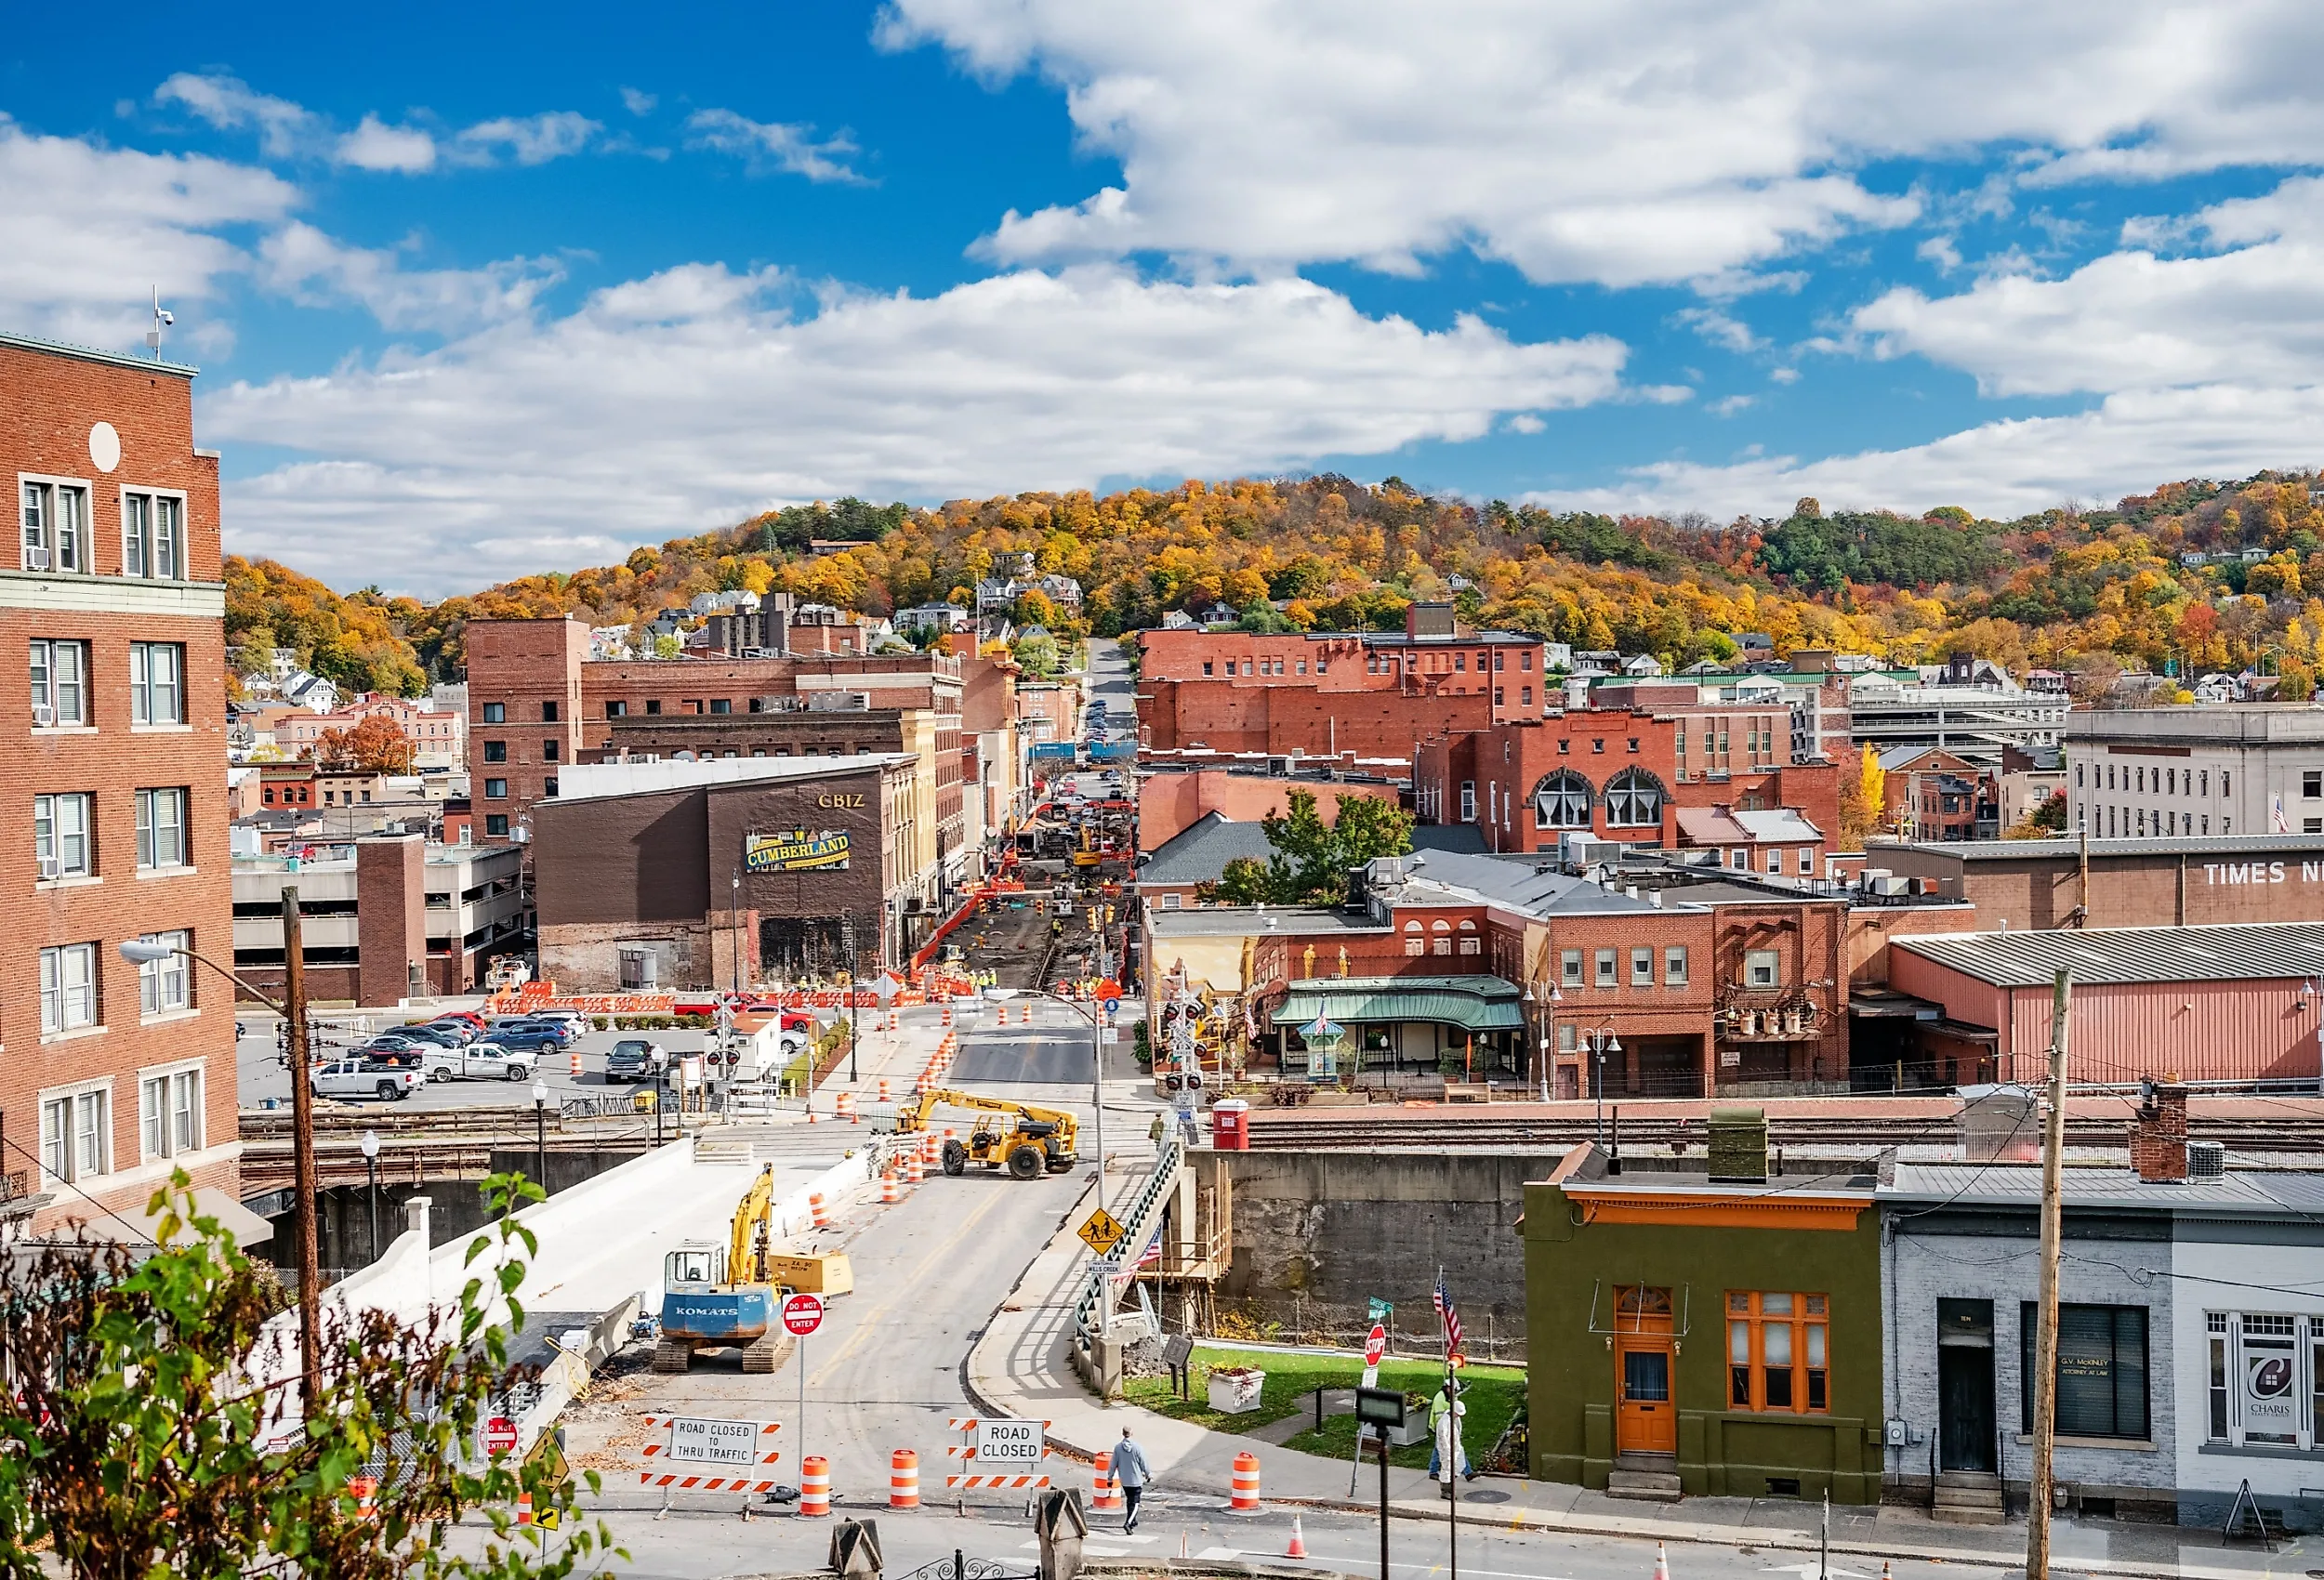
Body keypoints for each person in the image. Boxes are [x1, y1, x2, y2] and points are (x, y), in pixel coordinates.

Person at [1428, 1383, 1473, 1487]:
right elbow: (1443, 1437)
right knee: (1446, 1464)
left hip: (1452, 1443)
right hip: (1444, 1440)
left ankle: (1466, 1473)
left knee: (1458, 1460)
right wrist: (1447, 1451)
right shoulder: (1440, 1400)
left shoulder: (1453, 1410)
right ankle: (1440, 1478)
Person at [1109, 1425, 1152, 1533]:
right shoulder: (1137, 1447)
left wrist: (1110, 1478)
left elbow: (1113, 1464)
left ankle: (1133, 1521)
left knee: (1130, 1501)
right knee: (1136, 1503)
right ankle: (1128, 1523)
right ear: (1132, 1433)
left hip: (1125, 1480)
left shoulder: (1118, 1448)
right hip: (1136, 1480)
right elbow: (1143, 1462)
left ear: (1123, 1434)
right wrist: (1148, 1474)